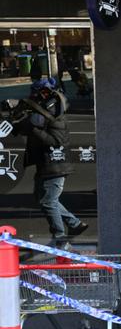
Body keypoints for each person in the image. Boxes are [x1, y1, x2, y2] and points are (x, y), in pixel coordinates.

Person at [13, 76, 88, 245]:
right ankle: (74, 224)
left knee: (48, 201)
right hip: (47, 165)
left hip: (56, 165)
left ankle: (60, 238)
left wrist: (33, 129)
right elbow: (31, 126)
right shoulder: (44, 114)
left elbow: (56, 141)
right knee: (42, 198)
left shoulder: (57, 117)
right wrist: (16, 124)